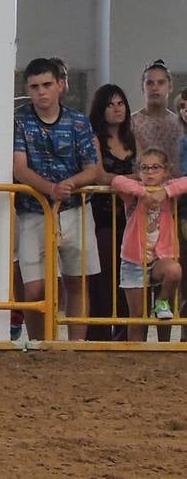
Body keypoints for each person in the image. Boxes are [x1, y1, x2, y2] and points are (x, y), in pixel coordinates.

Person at [11, 57, 103, 341]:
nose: (41, 91)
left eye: (47, 84)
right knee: (34, 288)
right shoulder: (19, 120)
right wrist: (51, 189)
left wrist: (70, 184)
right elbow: (19, 168)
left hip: (75, 209)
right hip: (33, 211)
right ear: (27, 87)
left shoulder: (78, 122)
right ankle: (40, 344)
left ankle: (76, 345)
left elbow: (93, 168)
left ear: (60, 85)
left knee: (77, 281)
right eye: (35, 86)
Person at [111, 148, 186, 339]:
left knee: (174, 271)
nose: (150, 172)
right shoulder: (134, 190)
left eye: (155, 167)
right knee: (136, 315)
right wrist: (143, 192)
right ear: (138, 171)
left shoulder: (169, 188)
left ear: (166, 170)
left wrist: (165, 192)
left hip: (162, 256)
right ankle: (137, 355)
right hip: (134, 259)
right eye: (145, 168)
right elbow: (116, 181)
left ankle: (161, 303)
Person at [88, 83, 136, 340]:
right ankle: (99, 333)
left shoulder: (132, 137)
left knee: (130, 275)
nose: (117, 109)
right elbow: (99, 174)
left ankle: (127, 332)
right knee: (104, 275)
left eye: (121, 103)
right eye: (110, 104)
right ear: (101, 109)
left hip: (131, 217)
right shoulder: (95, 138)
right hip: (103, 216)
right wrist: (131, 180)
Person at [131, 61, 182, 176]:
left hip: (177, 189)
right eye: (149, 83)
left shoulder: (180, 124)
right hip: (139, 188)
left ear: (170, 86)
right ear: (142, 87)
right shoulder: (131, 123)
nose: (155, 88)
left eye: (161, 83)